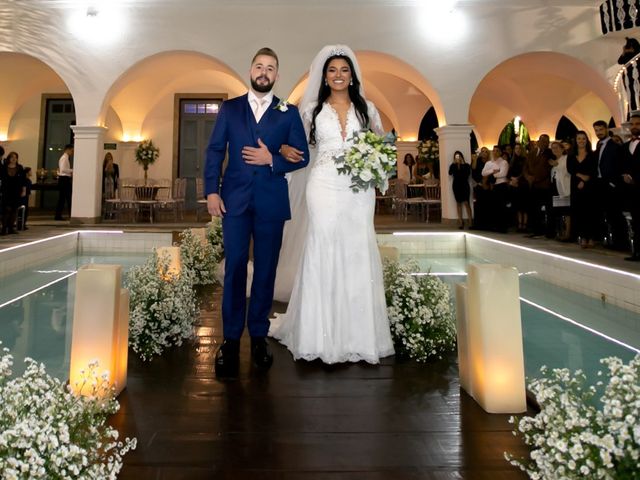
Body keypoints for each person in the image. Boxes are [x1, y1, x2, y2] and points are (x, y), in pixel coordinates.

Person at [269, 45, 395, 364]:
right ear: (324, 76)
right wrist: (283, 151)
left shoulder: (368, 108)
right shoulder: (311, 108)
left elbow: (381, 144)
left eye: (344, 70)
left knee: (357, 248)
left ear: (352, 76)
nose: (338, 75)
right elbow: (296, 144)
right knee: (323, 245)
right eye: (332, 70)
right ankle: (318, 333)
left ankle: (358, 335)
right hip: (322, 183)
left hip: (359, 188)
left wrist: (378, 165)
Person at [204, 47, 309, 379]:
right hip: (234, 201)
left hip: (271, 202)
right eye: (259, 66)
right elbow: (215, 150)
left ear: (277, 75)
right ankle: (231, 341)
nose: (264, 72)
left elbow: (303, 156)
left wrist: (273, 160)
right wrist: (211, 191)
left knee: (266, 270)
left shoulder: (288, 112)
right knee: (234, 267)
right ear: (251, 70)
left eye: (271, 68)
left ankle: (259, 337)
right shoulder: (230, 109)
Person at [593, 120, 626, 249]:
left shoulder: (615, 146)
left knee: (615, 214)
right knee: (605, 213)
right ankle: (608, 240)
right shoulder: (599, 145)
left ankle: (620, 243)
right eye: (596, 130)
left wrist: (613, 183)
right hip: (600, 184)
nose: (598, 133)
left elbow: (619, 166)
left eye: (600, 130)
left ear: (606, 129)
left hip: (611, 185)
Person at [567, 131, 597, 248]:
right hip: (575, 185)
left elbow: (593, 170)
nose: (581, 141)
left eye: (583, 139)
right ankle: (583, 237)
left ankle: (591, 237)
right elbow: (570, 169)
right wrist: (580, 176)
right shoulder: (571, 155)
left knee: (589, 212)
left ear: (587, 140)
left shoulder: (592, 155)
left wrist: (585, 180)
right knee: (579, 212)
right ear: (576, 140)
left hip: (589, 187)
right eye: (579, 138)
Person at [622, 114, 640, 261]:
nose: (634, 126)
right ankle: (637, 251)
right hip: (631, 190)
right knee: (636, 220)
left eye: (638, 124)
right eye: (632, 124)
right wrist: (625, 175)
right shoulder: (626, 145)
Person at [0, 151, 26, 235]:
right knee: (6, 210)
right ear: (9, 158)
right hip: (6, 191)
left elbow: (23, 180)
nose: (14, 159)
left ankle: (11, 228)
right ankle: (4, 228)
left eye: (15, 157)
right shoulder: (3, 167)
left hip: (16, 191)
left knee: (14, 210)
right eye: (12, 157)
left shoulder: (20, 167)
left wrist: (24, 190)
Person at [448, 150, 472, 229]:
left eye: (459, 156)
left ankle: (470, 221)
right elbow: (450, 173)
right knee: (458, 203)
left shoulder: (466, 165)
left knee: (466, 203)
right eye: (456, 156)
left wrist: (461, 164)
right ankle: (460, 221)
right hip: (456, 185)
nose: (458, 158)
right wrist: (455, 164)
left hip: (464, 185)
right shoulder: (453, 165)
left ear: (462, 157)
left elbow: (467, 174)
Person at [54, 144, 73, 221]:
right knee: (68, 198)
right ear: (67, 149)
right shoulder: (64, 158)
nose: (72, 152)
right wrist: (73, 170)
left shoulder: (65, 157)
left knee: (62, 199)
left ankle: (58, 216)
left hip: (64, 179)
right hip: (64, 179)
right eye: (72, 150)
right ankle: (70, 215)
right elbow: (63, 170)